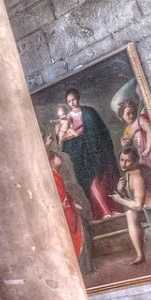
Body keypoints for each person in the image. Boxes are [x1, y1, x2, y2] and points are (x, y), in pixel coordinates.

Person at [54, 88, 119, 219]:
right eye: (69, 101)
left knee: (104, 181)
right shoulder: (67, 119)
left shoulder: (89, 112)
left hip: (98, 152)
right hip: (82, 157)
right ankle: (104, 211)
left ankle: (113, 208)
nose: (72, 103)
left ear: (78, 98)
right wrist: (69, 133)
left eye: (73, 99)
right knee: (92, 184)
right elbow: (63, 143)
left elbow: (101, 131)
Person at [48, 147, 89, 273]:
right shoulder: (52, 177)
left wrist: (73, 204)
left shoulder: (56, 175)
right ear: (52, 162)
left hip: (69, 211)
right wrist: (64, 205)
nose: (60, 158)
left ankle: (84, 268)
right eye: (57, 156)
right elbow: (59, 197)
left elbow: (66, 194)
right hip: (65, 213)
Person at [118, 98, 151, 179]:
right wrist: (125, 144)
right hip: (141, 156)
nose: (132, 115)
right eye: (128, 114)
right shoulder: (127, 130)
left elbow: (150, 131)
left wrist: (148, 149)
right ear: (122, 116)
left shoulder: (140, 120)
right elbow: (128, 145)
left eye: (133, 112)